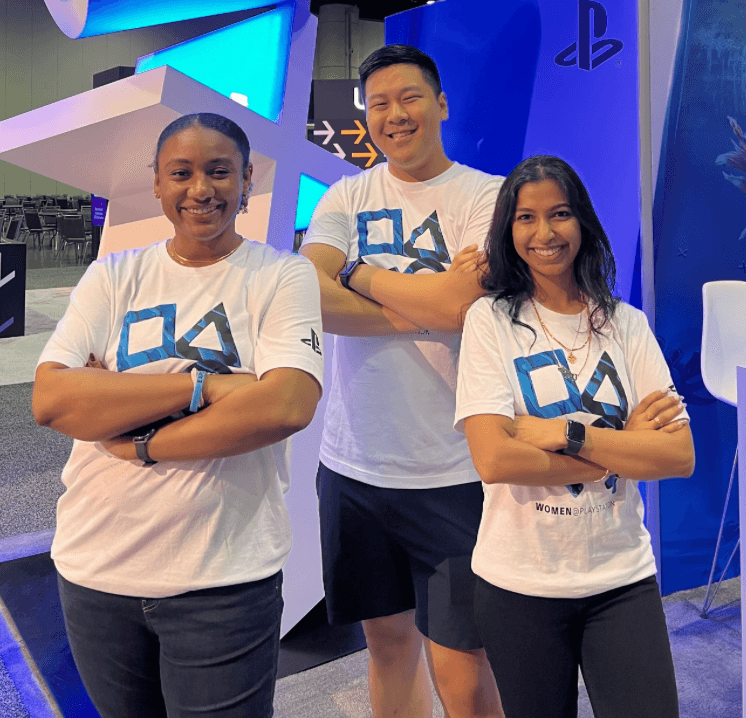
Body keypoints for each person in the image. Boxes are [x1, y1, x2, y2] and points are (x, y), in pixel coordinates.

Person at [32, 112, 324, 718]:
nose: (201, 190)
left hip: (222, 579)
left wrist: (136, 435)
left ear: (247, 183)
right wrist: (205, 387)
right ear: (158, 184)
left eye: (219, 172)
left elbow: (287, 403)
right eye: (181, 173)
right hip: (96, 569)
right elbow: (55, 402)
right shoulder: (113, 275)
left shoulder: (282, 276)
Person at [300, 44, 504, 718]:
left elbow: (459, 307)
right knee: (386, 645)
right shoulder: (346, 195)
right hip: (354, 468)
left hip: (452, 469)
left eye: (409, 98)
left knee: (463, 663)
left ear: (440, 105)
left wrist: (357, 273)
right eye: (379, 105)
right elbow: (305, 294)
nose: (395, 114)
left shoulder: (488, 196)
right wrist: (425, 308)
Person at [455, 154, 695, 718]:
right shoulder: (489, 321)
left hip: (621, 577)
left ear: (582, 221)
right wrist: (622, 448)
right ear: (507, 230)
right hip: (519, 582)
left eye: (559, 213)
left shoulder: (626, 324)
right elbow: (494, 457)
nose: (544, 233)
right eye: (525, 217)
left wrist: (566, 433)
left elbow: (678, 454)